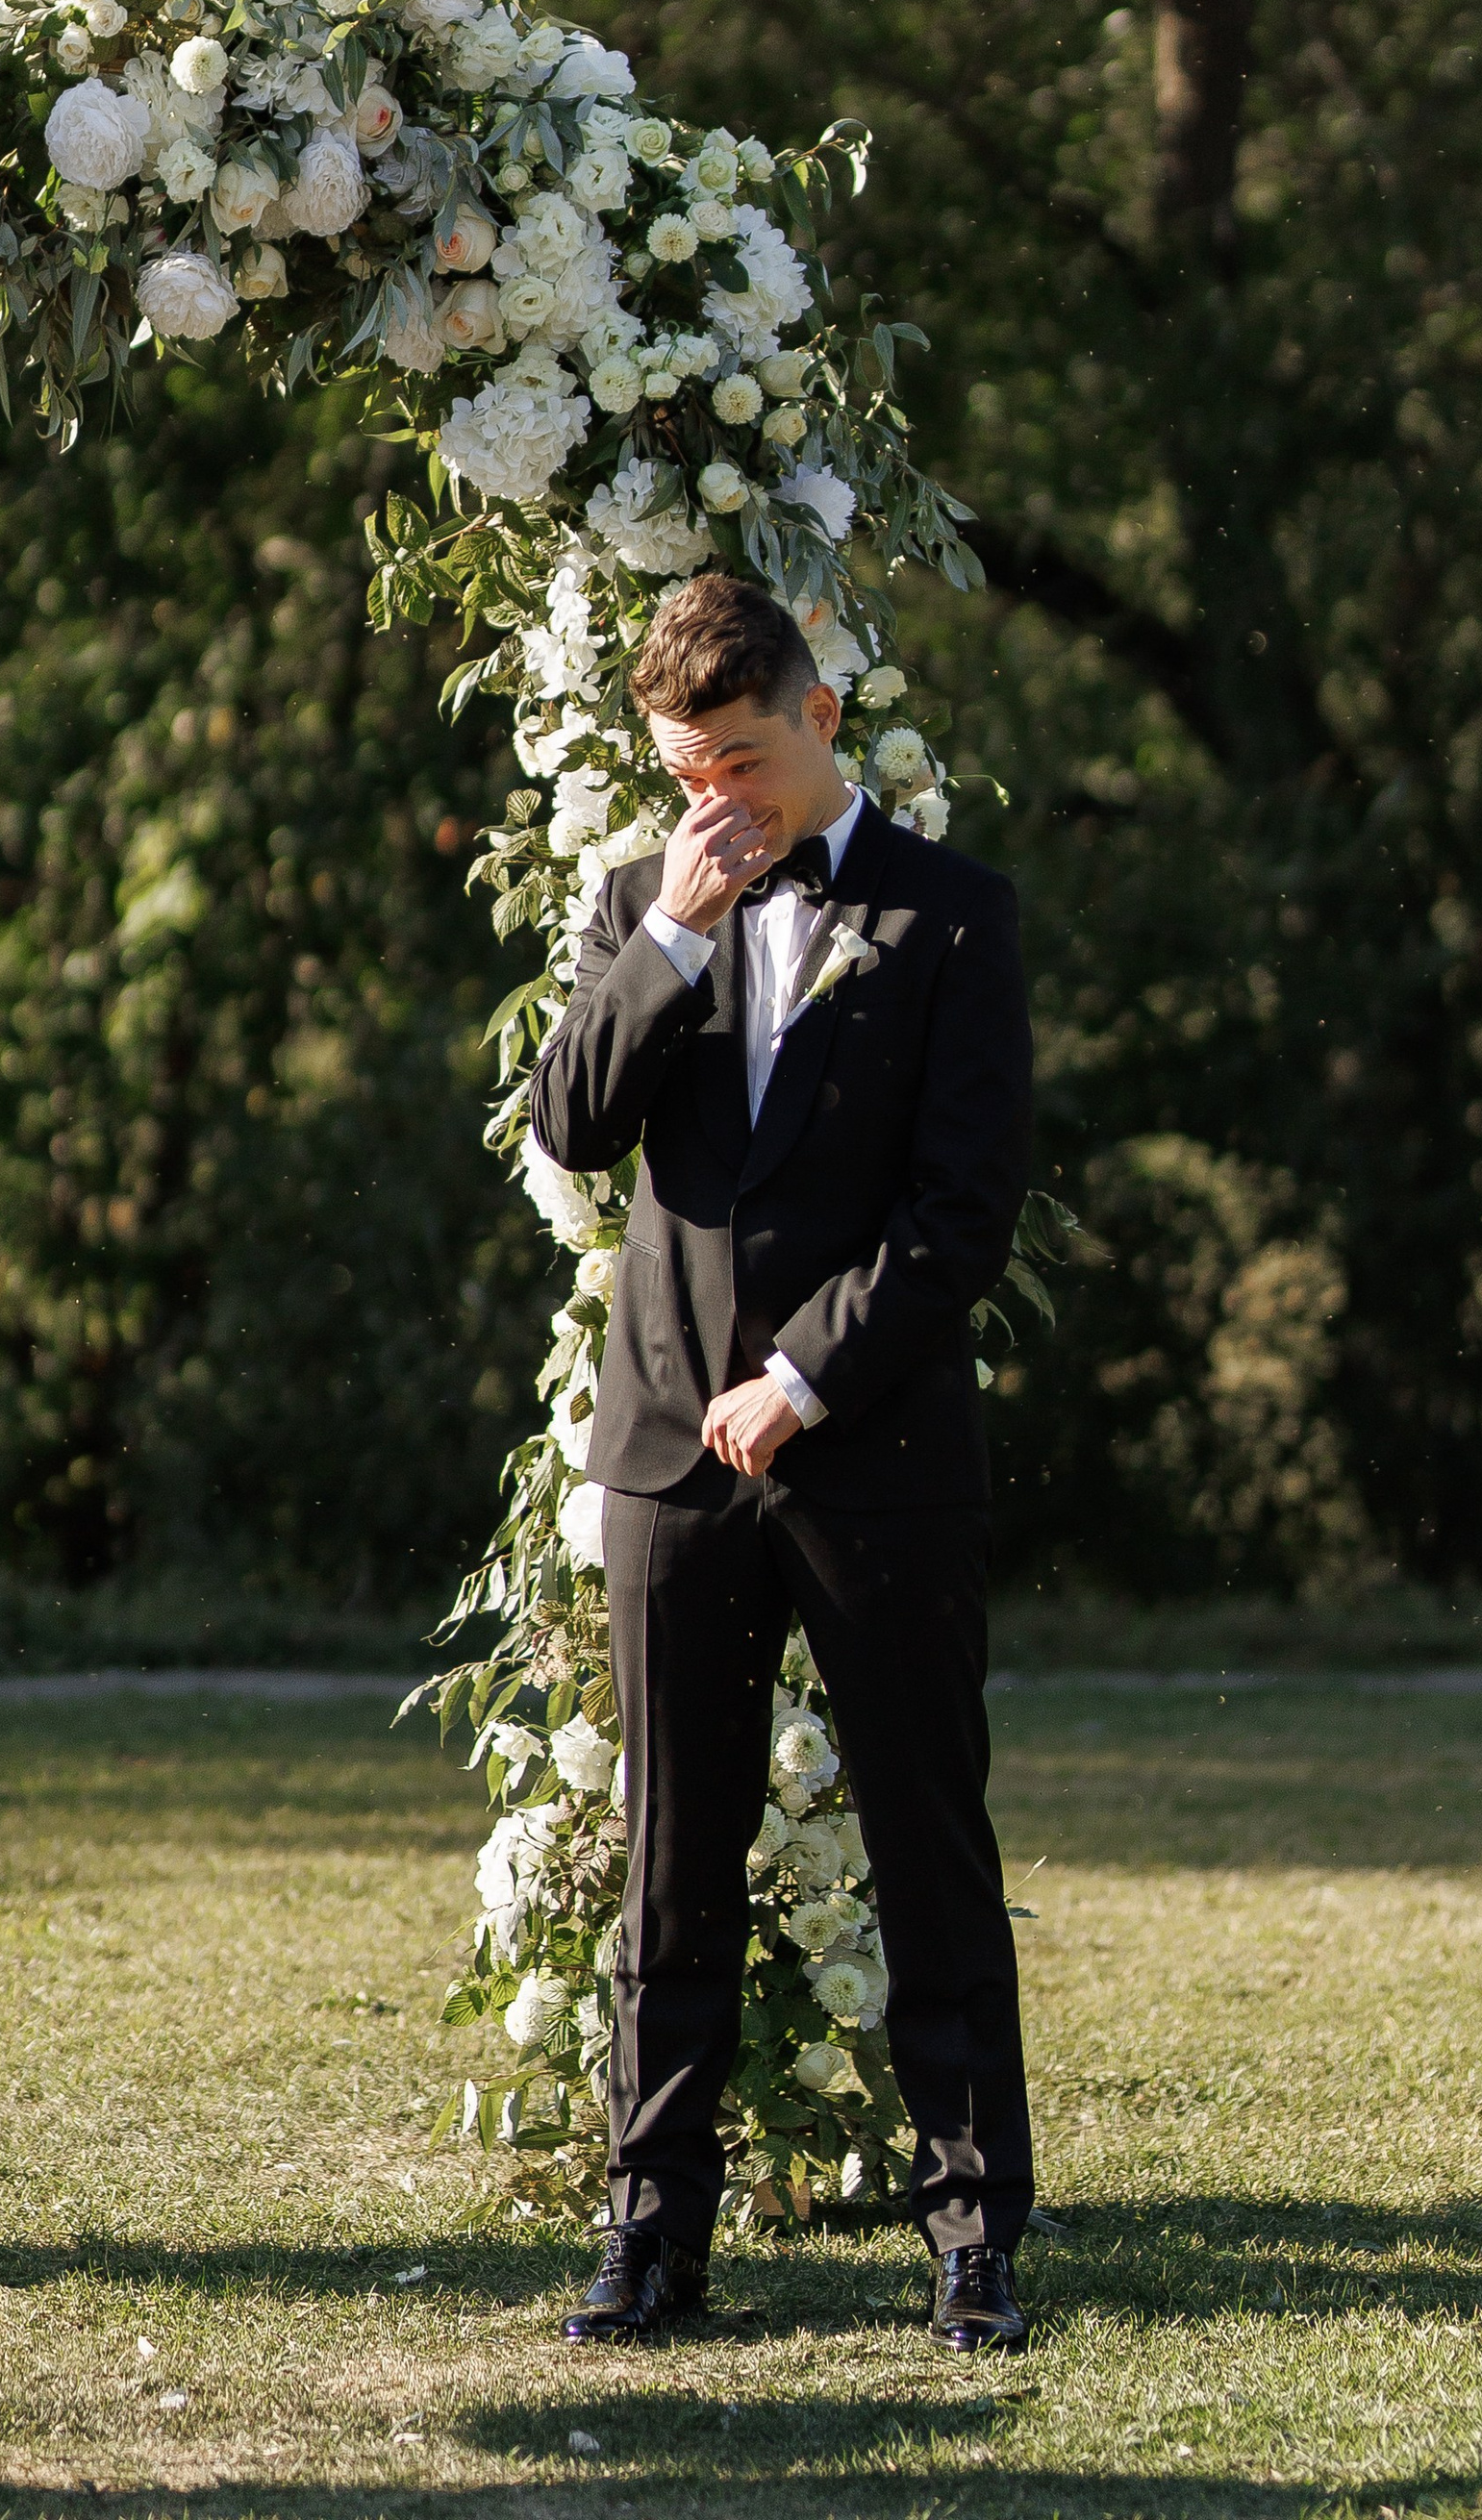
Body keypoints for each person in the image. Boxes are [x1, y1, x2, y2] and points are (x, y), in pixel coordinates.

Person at [530, 569, 1035, 2355]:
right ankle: (651, 2241)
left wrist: (808, 1380)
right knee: (676, 1859)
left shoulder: (954, 917)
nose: (718, 800)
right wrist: (667, 937)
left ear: (824, 719)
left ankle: (972, 2237)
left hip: (875, 1453)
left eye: (743, 758)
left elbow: (961, 1210)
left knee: (926, 1842)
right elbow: (577, 1126)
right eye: (687, 769)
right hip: (670, 1453)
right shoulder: (634, 903)